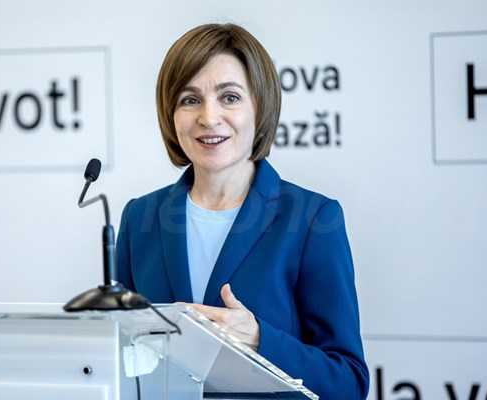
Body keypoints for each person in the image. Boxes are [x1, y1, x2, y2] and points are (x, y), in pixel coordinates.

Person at [116, 23, 369, 399]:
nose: (208, 117)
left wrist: (259, 340)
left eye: (230, 97)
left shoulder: (313, 219)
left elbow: (348, 382)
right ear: (170, 114)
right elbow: (122, 360)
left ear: (259, 107)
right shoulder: (140, 219)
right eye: (189, 99)